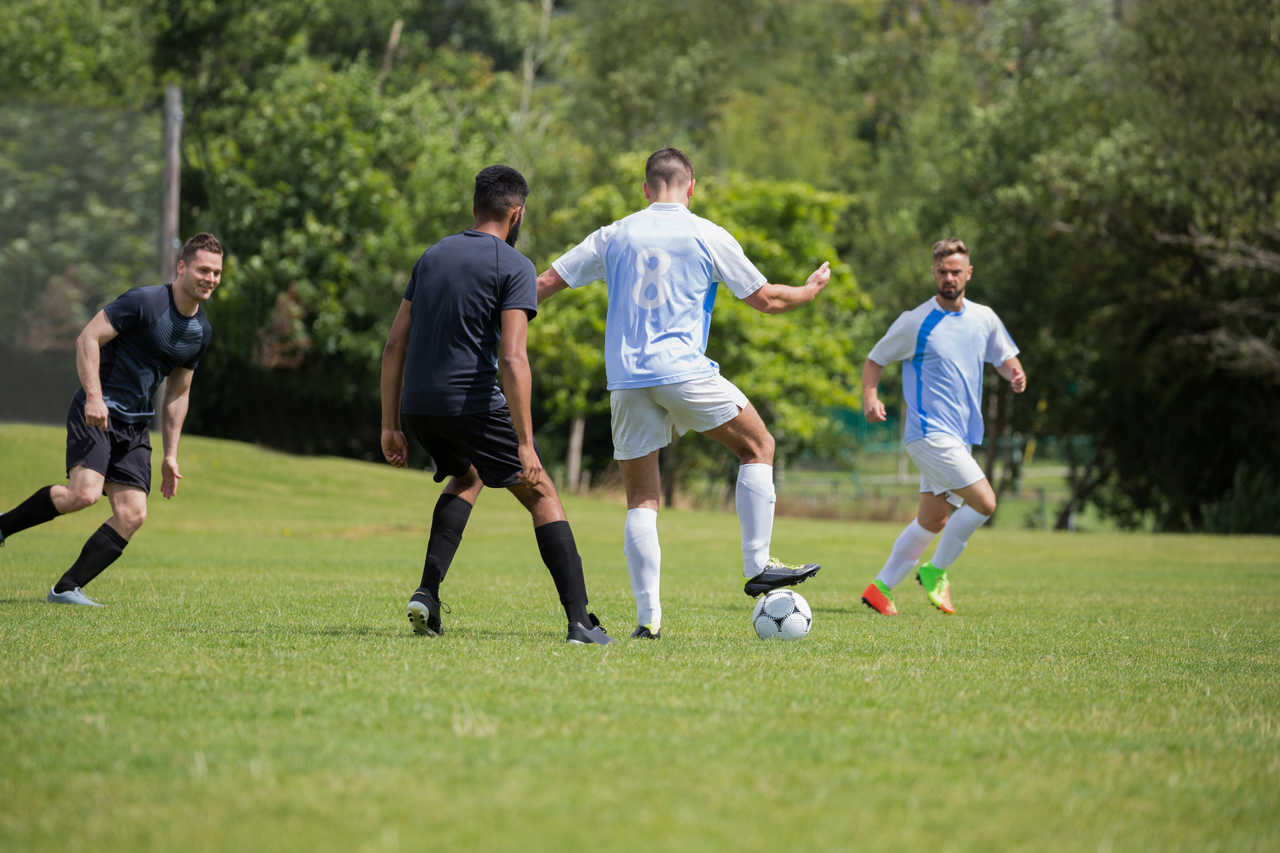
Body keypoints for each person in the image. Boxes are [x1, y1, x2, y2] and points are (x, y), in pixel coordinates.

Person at [536, 147, 831, 640]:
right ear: (690, 186)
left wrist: (495, 303)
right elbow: (766, 299)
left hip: (627, 379)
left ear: (646, 188)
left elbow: (546, 281)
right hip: (682, 372)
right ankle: (758, 564)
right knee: (758, 447)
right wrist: (809, 290)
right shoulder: (705, 233)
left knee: (642, 499)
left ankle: (647, 622)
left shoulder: (614, 234)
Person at [380, 165, 611, 645]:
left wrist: (389, 424)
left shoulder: (432, 256)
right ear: (517, 213)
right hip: (474, 402)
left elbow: (394, 345)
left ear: (474, 207)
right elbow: (512, 356)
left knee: (468, 475)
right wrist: (526, 443)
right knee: (542, 491)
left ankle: (427, 594)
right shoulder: (514, 265)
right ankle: (580, 622)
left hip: (418, 405)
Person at [0, 233, 222, 605]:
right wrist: (93, 396)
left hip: (135, 425)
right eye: (203, 269)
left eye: (216, 273)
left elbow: (178, 393)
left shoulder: (200, 332)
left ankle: (66, 588)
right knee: (83, 494)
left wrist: (171, 454)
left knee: (133, 514)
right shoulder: (145, 302)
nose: (210, 278)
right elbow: (87, 339)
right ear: (182, 267)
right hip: (98, 411)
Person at [859, 238, 1027, 616]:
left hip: (960, 437)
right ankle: (936, 571)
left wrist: (1015, 374)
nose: (949, 278)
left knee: (933, 519)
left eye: (955, 271)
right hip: (929, 434)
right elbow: (875, 359)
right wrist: (871, 398)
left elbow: (1005, 357)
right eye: (942, 272)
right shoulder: (915, 321)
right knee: (985, 502)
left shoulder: (984, 318)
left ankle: (880, 588)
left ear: (968, 273)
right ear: (933, 273)